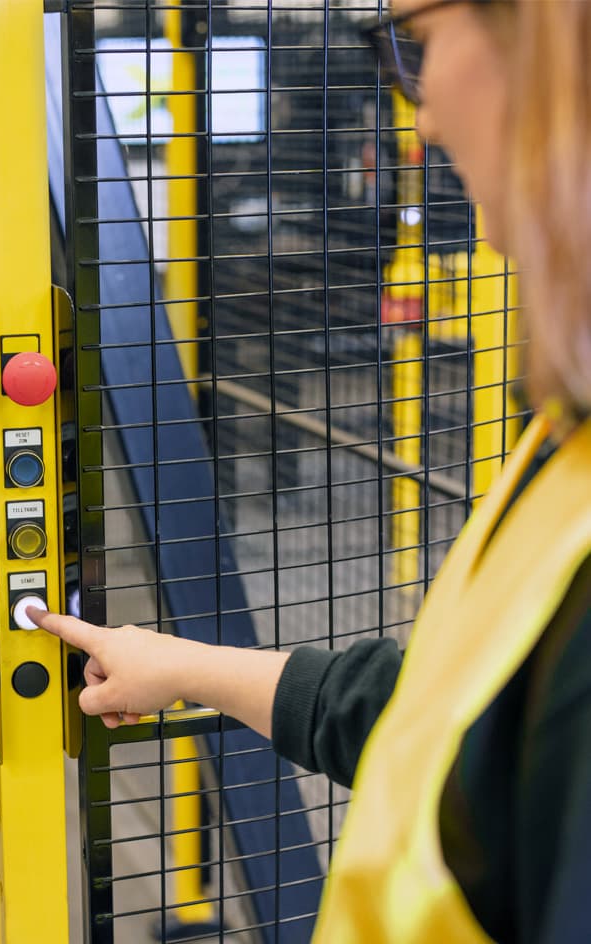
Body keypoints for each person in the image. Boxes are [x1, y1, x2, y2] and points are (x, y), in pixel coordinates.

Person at [29, 1, 591, 941]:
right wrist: (183, 664)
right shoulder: (559, 453)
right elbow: (442, 730)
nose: (426, 116)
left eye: (416, 42)